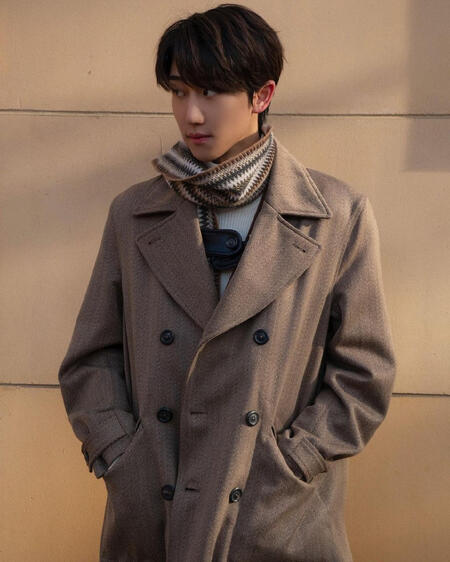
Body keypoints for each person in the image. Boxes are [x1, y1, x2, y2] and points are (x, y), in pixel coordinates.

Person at [58, 4, 396, 561]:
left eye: (211, 93)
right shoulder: (134, 214)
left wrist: (297, 459)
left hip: (274, 516)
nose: (191, 114)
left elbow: (365, 371)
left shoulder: (336, 215)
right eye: (179, 92)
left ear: (262, 95)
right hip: (155, 505)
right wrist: (119, 452)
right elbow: (91, 358)